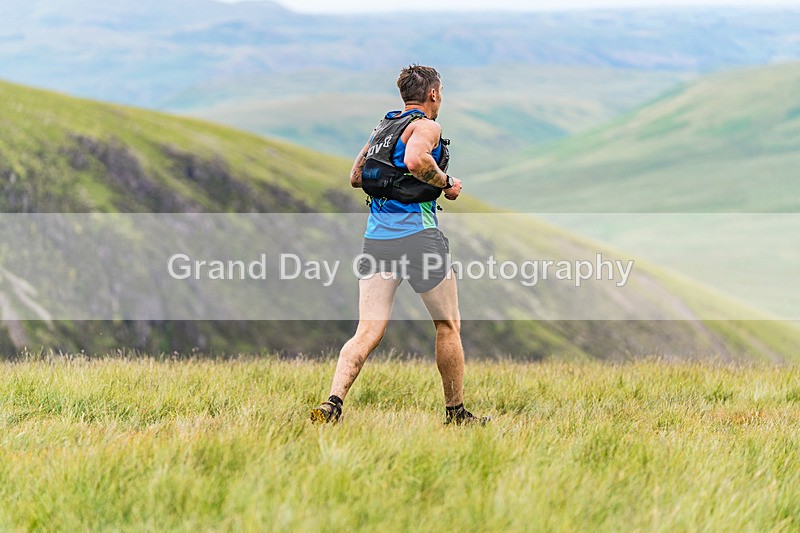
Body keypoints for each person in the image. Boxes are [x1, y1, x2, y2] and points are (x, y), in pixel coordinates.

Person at [310, 65, 489, 426]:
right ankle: (455, 414)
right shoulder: (427, 126)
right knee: (447, 325)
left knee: (367, 330)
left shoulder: (383, 128)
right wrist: (445, 182)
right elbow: (415, 160)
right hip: (420, 238)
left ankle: (332, 403)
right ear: (433, 94)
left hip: (377, 240)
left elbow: (356, 177)